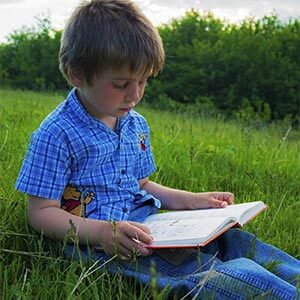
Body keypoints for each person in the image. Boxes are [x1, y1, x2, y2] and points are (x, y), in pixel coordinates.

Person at [15, 0, 299, 299]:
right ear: (77, 74)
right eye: (121, 83)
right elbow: (41, 213)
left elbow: (142, 184)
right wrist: (101, 232)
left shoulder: (134, 123)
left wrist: (192, 201)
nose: (135, 94)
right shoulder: (56, 134)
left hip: (153, 224)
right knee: (201, 274)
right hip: (108, 243)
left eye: (143, 82)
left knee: (234, 241)